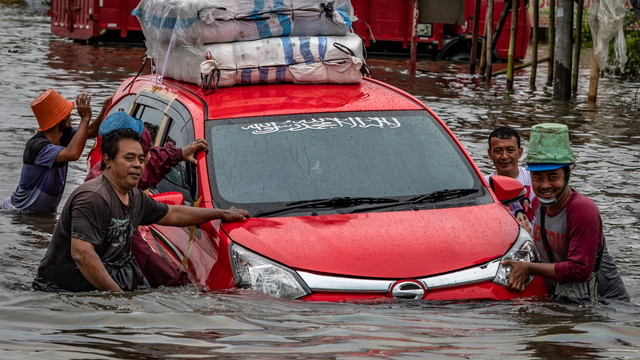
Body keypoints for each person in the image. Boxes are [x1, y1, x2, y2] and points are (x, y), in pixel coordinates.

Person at [32, 128, 249, 292]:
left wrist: (220, 213)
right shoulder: (93, 198)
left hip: (101, 287)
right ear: (107, 160)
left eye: (141, 159)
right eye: (129, 158)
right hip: (62, 293)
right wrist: (117, 301)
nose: (138, 165)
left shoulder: (133, 196)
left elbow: (172, 214)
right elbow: (82, 254)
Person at [502, 123, 629, 303]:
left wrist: (528, 268)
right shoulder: (538, 204)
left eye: (553, 177)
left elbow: (579, 269)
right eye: (538, 178)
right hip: (564, 298)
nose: (545, 185)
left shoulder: (582, 210)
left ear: (567, 174)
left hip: (603, 304)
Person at [85, 111, 207, 287]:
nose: (146, 160)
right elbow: (142, 256)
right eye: (141, 155)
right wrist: (179, 284)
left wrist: (178, 153)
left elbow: (152, 163)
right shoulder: (108, 198)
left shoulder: (119, 172)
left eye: (143, 156)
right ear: (113, 157)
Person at [1, 89, 111, 213]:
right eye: (68, 115)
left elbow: (89, 132)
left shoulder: (63, 134)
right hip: (19, 211)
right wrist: (85, 118)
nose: (71, 118)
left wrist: (104, 110)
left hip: (40, 213)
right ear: (61, 120)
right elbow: (73, 154)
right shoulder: (37, 146)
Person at [485, 126, 537, 219]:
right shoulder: (484, 185)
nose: (504, 156)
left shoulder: (534, 177)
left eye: (510, 150)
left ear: (520, 152)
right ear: (490, 154)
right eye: (498, 151)